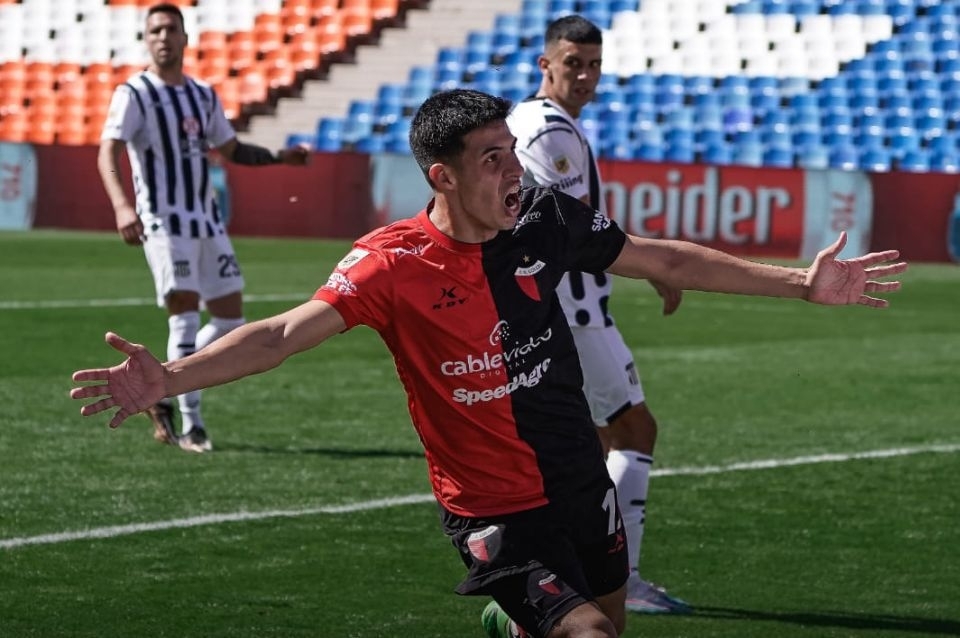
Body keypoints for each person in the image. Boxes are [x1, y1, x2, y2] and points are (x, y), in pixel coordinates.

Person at [72, 89, 906, 638]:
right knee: (591, 634)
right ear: (443, 177)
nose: (516, 171)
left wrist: (801, 283)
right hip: (492, 508)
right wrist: (171, 378)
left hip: (579, 475)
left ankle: (510, 619)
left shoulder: (544, 218)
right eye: (493, 160)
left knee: (606, 618)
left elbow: (663, 259)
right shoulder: (390, 263)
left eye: (513, 151)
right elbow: (283, 334)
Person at [507, 15, 685, 614]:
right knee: (634, 431)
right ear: (545, 65)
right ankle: (620, 580)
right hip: (574, 309)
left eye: (593, 65)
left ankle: (576, 569)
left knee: (598, 439)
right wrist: (656, 266)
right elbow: (581, 227)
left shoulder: (527, 120)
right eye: (572, 64)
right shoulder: (550, 132)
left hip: (548, 305)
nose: (584, 76)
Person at [97, 3, 309, 453]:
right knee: (186, 317)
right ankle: (192, 425)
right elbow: (108, 151)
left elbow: (231, 149)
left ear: (185, 38)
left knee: (231, 320)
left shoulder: (202, 94)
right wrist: (121, 206)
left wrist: (279, 157)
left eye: (170, 29)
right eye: (155, 30)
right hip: (164, 223)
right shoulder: (134, 94)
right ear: (146, 39)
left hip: (208, 222)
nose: (163, 37)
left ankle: (162, 382)